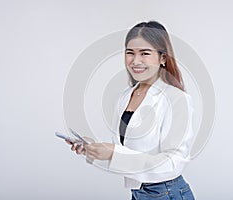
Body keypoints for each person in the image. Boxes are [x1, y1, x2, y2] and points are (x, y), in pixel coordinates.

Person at [67, 21, 196, 200]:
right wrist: (93, 149)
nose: (135, 61)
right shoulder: (125, 97)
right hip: (138, 192)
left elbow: (173, 163)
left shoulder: (177, 99)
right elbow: (126, 151)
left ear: (163, 58)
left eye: (145, 53)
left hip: (168, 193)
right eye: (130, 53)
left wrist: (113, 153)